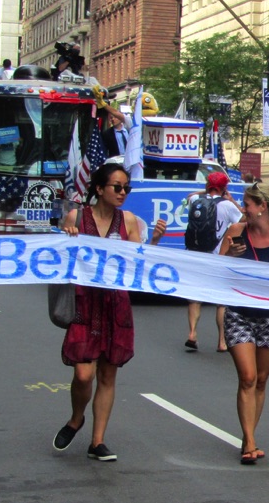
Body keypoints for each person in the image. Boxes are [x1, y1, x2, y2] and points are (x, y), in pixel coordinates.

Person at [52, 163, 167, 462]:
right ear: (100, 188)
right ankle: (76, 418)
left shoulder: (127, 221)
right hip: (85, 302)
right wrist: (68, 239)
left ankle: (98, 441)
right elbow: (58, 260)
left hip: (115, 303)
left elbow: (139, 261)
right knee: (83, 374)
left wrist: (154, 241)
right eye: (117, 186)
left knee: (107, 374)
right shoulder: (77, 217)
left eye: (126, 187)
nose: (123, 192)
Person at [219, 183, 269, 465]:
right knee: (248, 377)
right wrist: (230, 255)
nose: (244, 209)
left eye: (247, 205)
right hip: (239, 313)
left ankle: (248, 435)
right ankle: (250, 442)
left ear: (262, 207)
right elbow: (217, 270)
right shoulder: (236, 231)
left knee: (261, 381)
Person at [184, 172, 244, 353]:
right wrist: (232, 200)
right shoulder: (227, 205)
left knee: (195, 298)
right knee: (221, 302)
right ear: (224, 188)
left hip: (195, 254)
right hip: (217, 255)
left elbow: (191, 195)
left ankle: (192, 333)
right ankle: (222, 341)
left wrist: (205, 190)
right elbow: (243, 220)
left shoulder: (195, 199)